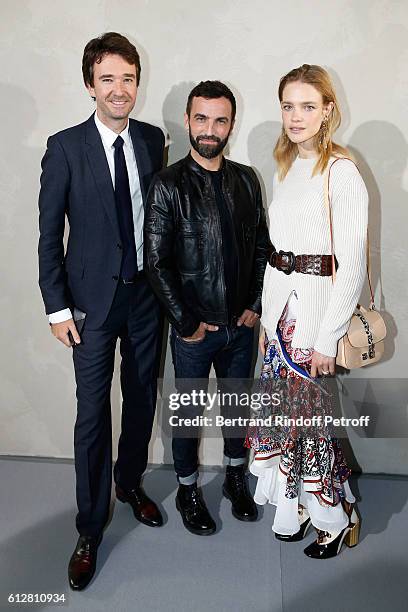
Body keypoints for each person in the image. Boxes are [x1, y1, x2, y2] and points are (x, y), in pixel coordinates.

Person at [38, 32, 165, 590]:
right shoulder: (65, 147)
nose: (119, 89)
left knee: (141, 397)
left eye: (128, 78)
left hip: (145, 301)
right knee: (92, 415)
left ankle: (130, 483)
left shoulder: (152, 140)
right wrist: (56, 308)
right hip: (88, 305)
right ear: (90, 84)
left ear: (138, 82)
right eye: (108, 79)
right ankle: (90, 527)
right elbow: (49, 237)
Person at [247, 64, 368, 558]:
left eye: (308, 106)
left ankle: (337, 520)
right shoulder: (288, 164)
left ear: (328, 111)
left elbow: (353, 263)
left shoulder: (342, 171)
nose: (296, 117)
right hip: (282, 321)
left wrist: (325, 338)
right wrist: (268, 318)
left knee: (313, 430)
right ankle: (299, 510)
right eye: (288, 106)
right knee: (290, 425)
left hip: (316, 323)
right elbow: (281, 254)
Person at [144, 80, 271, 535]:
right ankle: (187, 487)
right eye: (202, 118)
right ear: (188, 120)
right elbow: (156, 264)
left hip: (240, 327)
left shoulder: (246, 180)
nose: (210, 129)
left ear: (231, 124)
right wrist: (187, 322)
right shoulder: (167, 184)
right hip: (194, 331)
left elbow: (262, 249)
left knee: (238, 408)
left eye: (220, 120)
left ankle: (237, 476)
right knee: (188, 415)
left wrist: (255, 303)